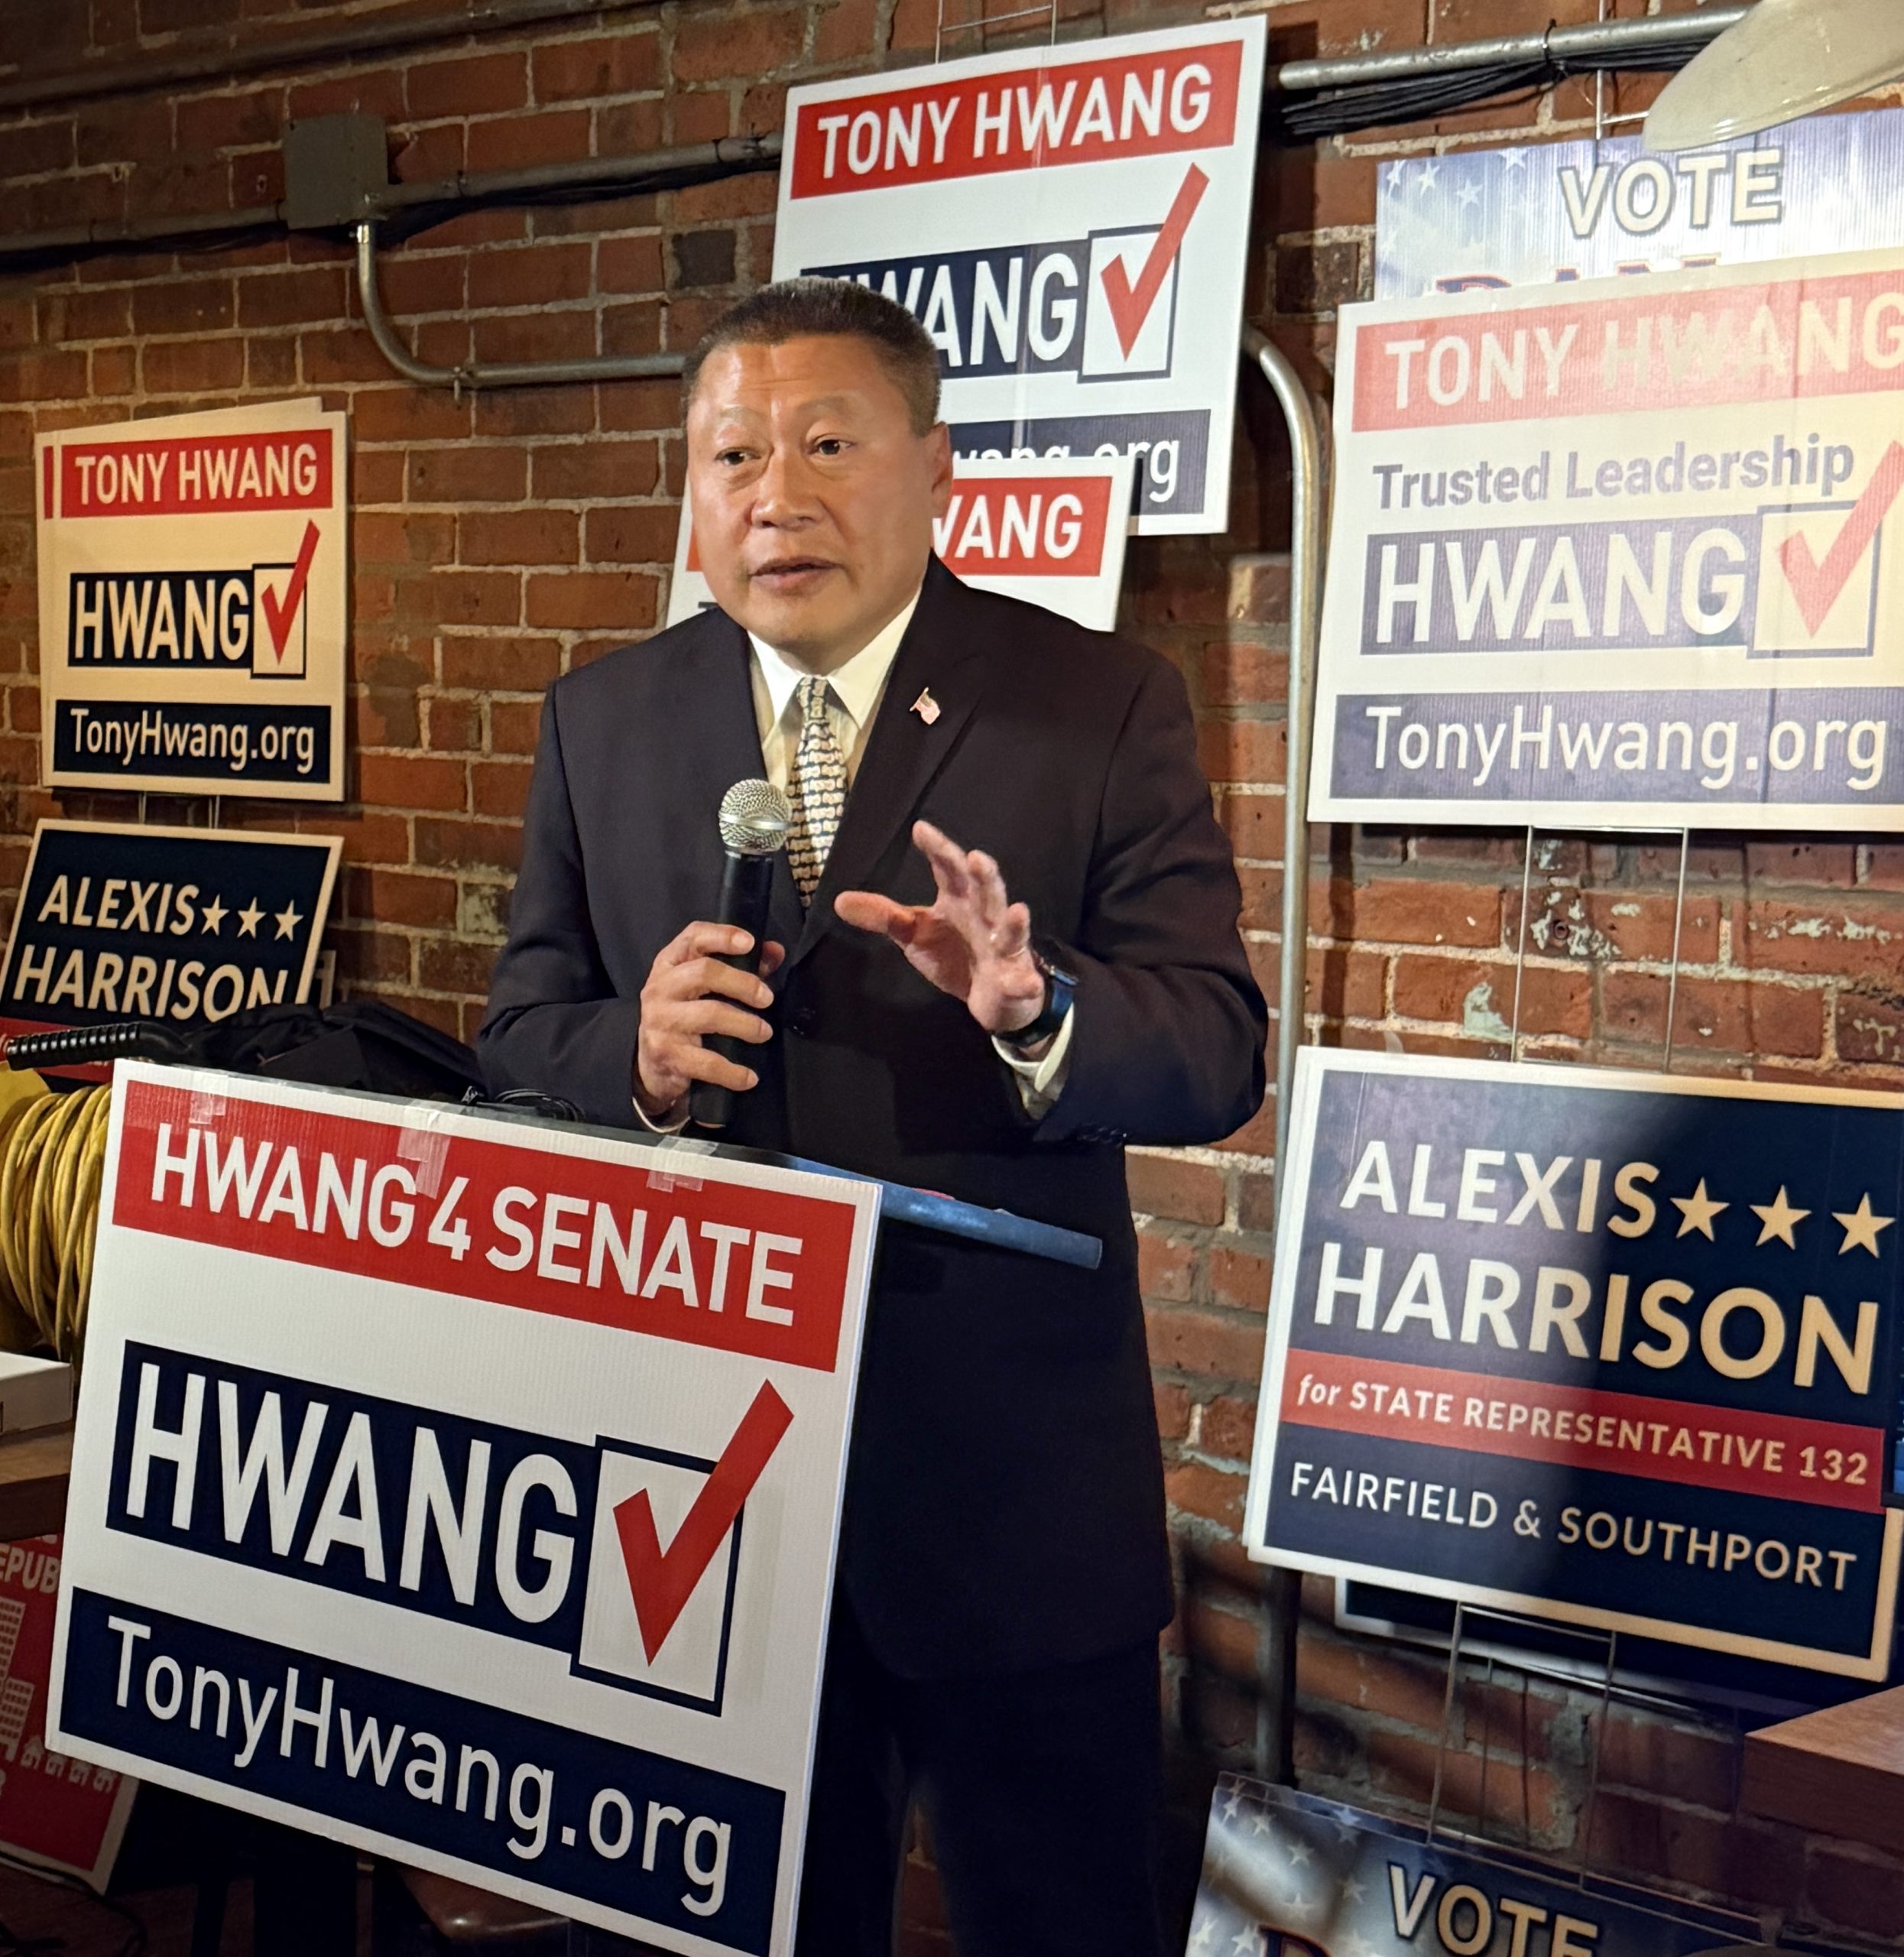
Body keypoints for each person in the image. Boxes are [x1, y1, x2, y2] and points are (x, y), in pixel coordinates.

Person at [479, 277, 1266, 1957]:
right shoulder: (601, 717)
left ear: (937, 466)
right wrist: (635, 1054)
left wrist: (1044, 1012)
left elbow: (1215, 1051)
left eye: (829, 445)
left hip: (1009, 1507)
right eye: (735, 455)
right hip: (689, 1506)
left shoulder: (1096, 702)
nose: (778, 495)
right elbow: (517, 1035)